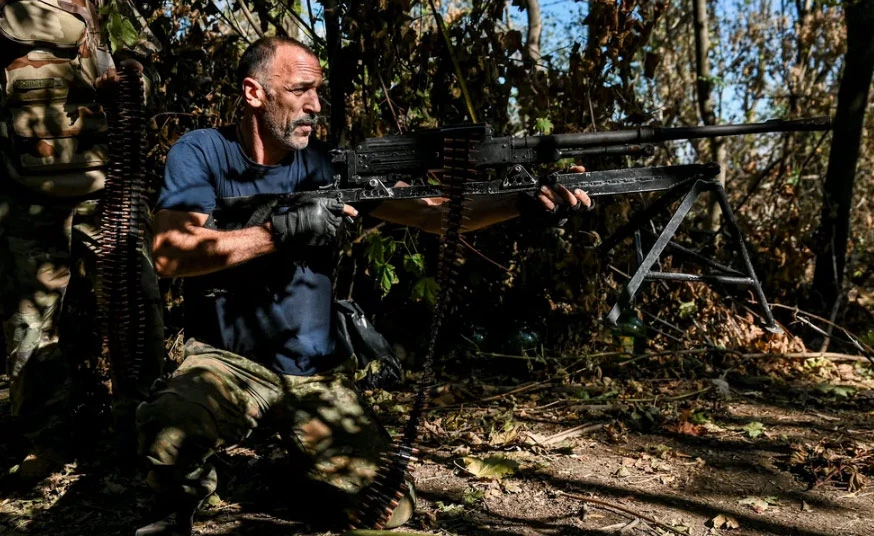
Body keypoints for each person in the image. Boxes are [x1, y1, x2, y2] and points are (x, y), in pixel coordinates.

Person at [135, 35, 591, 535]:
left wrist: (522, 204)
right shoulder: (203, 152)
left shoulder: (328, 165)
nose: (314, 105)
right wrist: (278, 232)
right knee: (169, 430)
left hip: (314, 374)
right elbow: (169, 252)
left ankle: (290, 470)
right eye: (300, 90)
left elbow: (434, 215)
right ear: (254, 93)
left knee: (388, 511)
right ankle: (192, 495)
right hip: (226, 362)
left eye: (318, 91)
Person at [0, 0, 163, 480]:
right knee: (28, 328)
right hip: (25, 196)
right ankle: (47, 442)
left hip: (108, 189)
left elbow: (147, 72)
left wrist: (130, 81)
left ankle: (143, 428)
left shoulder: (104, 7)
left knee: (136, 309)